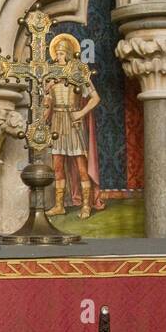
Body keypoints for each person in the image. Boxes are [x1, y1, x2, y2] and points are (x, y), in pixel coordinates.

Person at [44, 34, 104, 219]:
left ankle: (86, 205)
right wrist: (47, 90)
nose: (59, 56)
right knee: (57, 165)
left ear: (69, 54)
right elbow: (46, 102)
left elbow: (95, 98)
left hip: (73, 120)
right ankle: (60, 205)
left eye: (62, 53)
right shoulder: (51, 73)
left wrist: (80, 113)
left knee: (81, 166)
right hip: (57, 122)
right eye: (57, 53)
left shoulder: (78, 72)